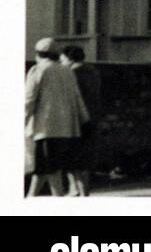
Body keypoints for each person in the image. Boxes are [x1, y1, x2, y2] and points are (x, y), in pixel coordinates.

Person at [25, 37, 88, 197]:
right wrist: (83, 120)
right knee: (43, 170)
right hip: (67, 130)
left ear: (39, 54)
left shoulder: (38, 70)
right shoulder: (67, 71)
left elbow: (29, 100)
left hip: (46, 129)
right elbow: (77, 98)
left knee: (51, 169)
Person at [60, 45, 101, 197]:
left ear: (69, 58)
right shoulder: (93, 72)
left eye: (62, 58)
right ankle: (80, 190)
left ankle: (78, 190)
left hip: (76, 119)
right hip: (92, 117)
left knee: (74, 158)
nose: (61, 61)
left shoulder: (71, 73)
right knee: (85, 157)